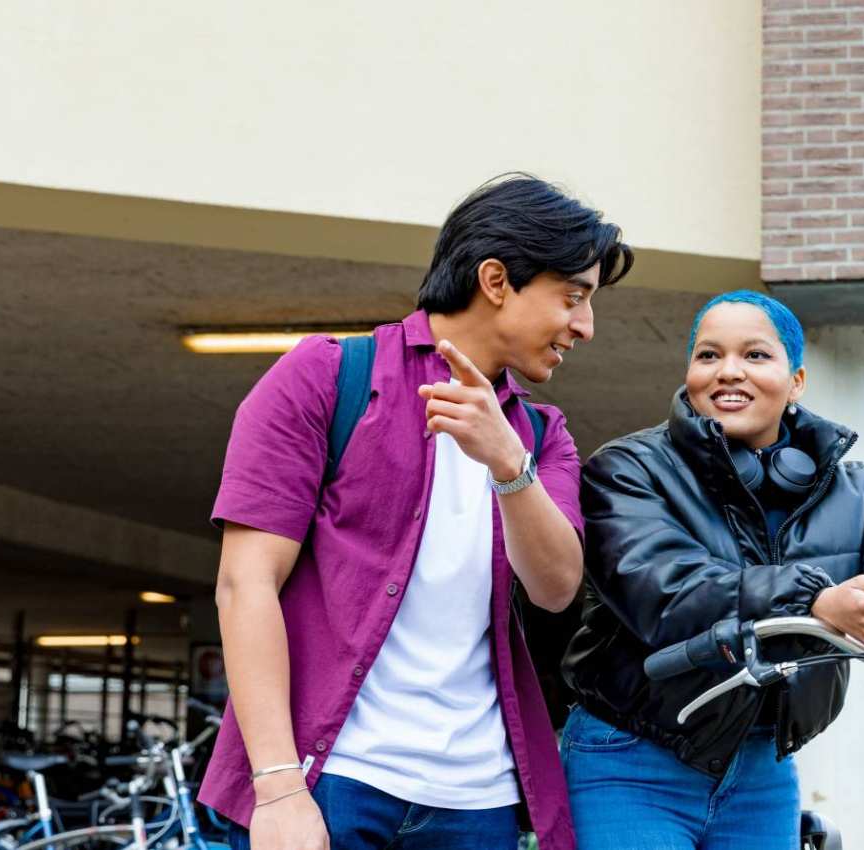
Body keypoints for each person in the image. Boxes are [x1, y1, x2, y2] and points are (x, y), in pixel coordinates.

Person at [203, 174, 632, 850]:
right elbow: (244, 584)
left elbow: (556, 590)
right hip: (329, 783)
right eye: (573, 297)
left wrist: (508, 465)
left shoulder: (544, 436)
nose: (585, 326)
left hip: (477, 802)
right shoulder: (328, 378)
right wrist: (279, 789)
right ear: (496, 280)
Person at [558, 290, 864, 848]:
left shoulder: (857, 491)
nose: (728, 371)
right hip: (631, 757)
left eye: (755, 355)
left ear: (796, 380)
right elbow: (664, 590)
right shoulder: (627, 469)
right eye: (708, 356)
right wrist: (815, 602)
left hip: (761, 767)